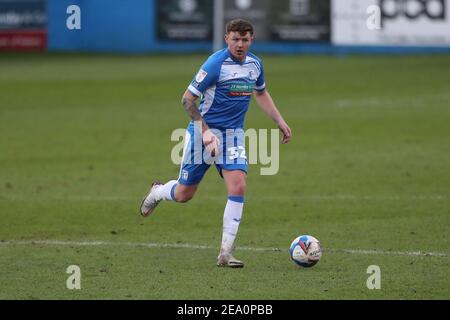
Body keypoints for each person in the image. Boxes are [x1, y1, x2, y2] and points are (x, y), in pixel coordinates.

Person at [140, 19, 291, 268]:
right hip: (203, 133)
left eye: (244, 39)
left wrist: (280, 120)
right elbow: (187, 100)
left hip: (232, 136)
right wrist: (206, 131)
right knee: (184, 193)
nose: (240, 44)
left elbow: (260, 92)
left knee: (238, 185)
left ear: (251, 40)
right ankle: (158, 191)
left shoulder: (255, 65)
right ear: (226, 39)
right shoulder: (215, 64)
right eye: (235, 39)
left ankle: (225, 253)